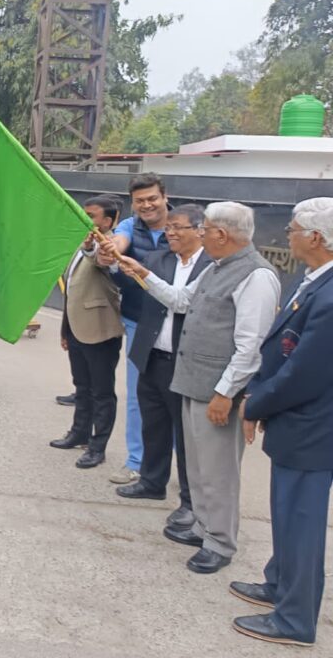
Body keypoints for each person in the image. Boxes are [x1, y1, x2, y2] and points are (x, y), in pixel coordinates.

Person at [114, 201, 280, 575]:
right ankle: (203, 527)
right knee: (200, 467)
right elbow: (181, 300)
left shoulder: (256, 276)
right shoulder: (216, 267)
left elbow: (250, 345)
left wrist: (225, 393)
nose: (200, 234)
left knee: (219, 473)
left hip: (217, 392)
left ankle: (220, 543)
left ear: (221, 234)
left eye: (203, 229)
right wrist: (142, 273)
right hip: (192, 383)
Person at [231, 198, 333, 648]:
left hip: (313, 428)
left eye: (292, 230)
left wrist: (255, 404)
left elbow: (305, 372)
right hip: (298, 423)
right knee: (286, 515)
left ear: (316, 237)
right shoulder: (314, 279)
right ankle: (279, 583)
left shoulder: (329, 294)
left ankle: (294, 619)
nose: (286, 236)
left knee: (301, 522)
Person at [118, 205, 210, 532]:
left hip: (185, 362)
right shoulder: (159, 259)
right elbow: (125, 280)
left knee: (186, 436)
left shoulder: (211, 266)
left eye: (178, 227)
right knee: (153, 424)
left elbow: (182, 302)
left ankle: (190, 501)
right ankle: (151, 481)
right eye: (168, 227)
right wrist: (107, 260)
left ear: (200, 230)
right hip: (152, 355)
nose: (170, 233)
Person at [105, 173, 170, 485]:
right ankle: (136, 461)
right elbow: (119, 241)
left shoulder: (184, 226)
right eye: (140, 201)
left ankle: (174, 462)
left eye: (152, 198)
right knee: (138, 395)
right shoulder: (130, 227)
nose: (147, 205)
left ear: (165, 197)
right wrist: (110, 250)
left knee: (175, 398)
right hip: (139, 322)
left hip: (177, 323)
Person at [49, 195, 123, 469]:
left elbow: (104, 262)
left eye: (91, 215)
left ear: (108, 221)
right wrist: (65, 330)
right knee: (82, 386)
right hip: (76, 327)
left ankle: (97, 446)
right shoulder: (81, 244)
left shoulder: (112, 245)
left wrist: (93, 247)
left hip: (100, 330)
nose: (85, 218)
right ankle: (79, 433)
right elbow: (72, 291)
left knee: (101, 392)